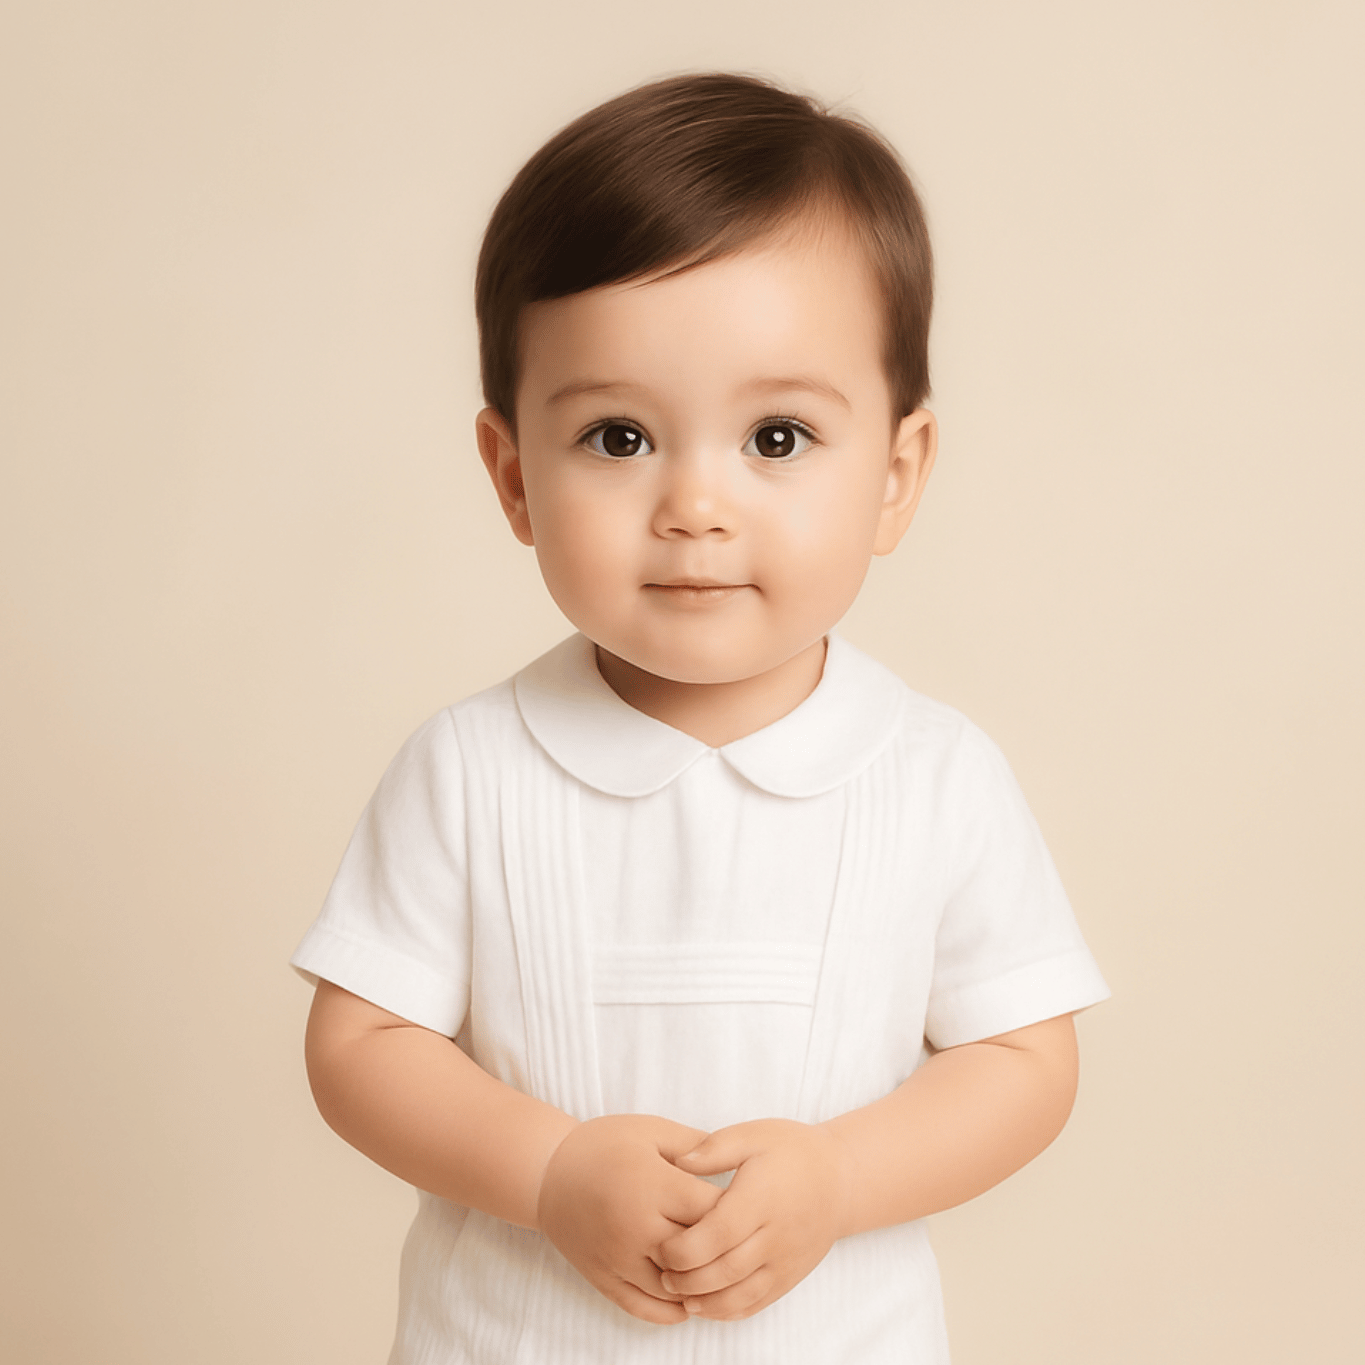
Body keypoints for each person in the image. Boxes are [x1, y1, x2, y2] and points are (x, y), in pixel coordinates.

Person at [292, 72, 1109, 1363]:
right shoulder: (469, 768)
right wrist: (550, 1169)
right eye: (618, 439)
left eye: (777, 438)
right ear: (513, 477)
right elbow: (361, 1043)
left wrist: (841, 1177)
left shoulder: (935, 775)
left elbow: (1020, 1063)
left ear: (896, 476)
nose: (696, 506)